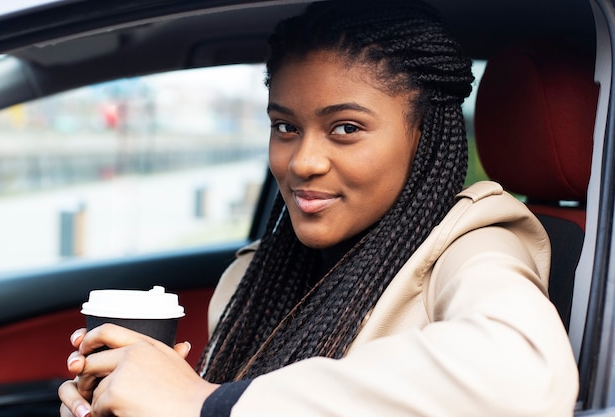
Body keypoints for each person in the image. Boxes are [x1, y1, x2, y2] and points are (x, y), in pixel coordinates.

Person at [58, 0, 579, 416]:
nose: (303, 161)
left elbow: (525, 378)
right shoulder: (257, 274)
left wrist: (206, 402)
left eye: (346, 128)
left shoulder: (476, 240)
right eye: (285, 126)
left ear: (424, 136)